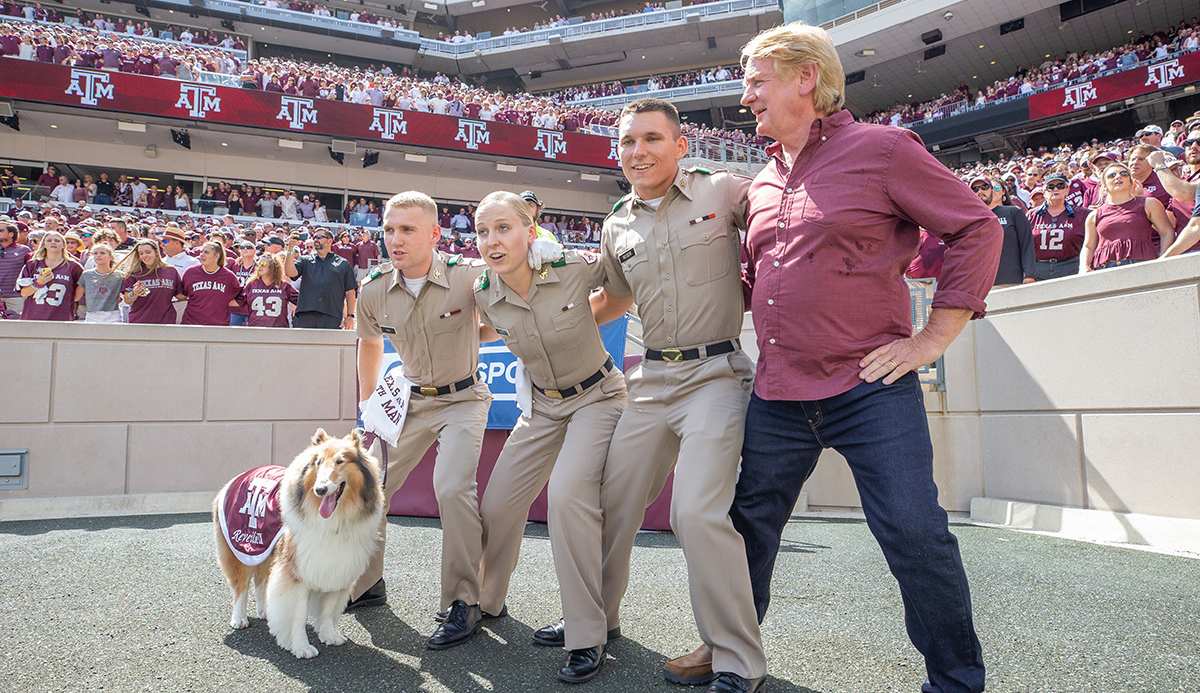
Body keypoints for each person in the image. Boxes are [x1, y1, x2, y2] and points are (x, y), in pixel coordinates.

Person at [729, 23, 1002, 693]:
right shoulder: (759, 183)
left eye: (757, 80)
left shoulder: (883, 149)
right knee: (744, 532)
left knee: (915, 534)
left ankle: (957, 682)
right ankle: (732, 655)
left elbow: (976, 227)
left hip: (869, 388)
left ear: (805, 78)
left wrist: (932, 337)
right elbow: (748, 281)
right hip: (776, 393)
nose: (746, 97)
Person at [593, 98, 767, 693]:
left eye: (650, 140)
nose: (636, 152)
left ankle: (736, 660)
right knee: (611, 500)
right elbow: (613, 299)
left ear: (680, 144)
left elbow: (787, 212)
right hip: (650, 382)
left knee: (694, 512)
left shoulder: (724, 192)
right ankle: (595, 622)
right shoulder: (616, 223)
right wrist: (547, 321)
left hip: (715, 376)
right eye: (626, 143)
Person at [471, 192, 626, 683]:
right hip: (541, 406)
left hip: (597, 396)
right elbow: (482, 330)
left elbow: (622, 287)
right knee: (496, 505)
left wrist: (583, 314)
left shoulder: (569, 267)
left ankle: (586, 633)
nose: (492, 241)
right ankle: (485, 602)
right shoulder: (482, 290)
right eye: (483, 232)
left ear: (529, 231)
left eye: (503, 228)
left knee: (566, 499)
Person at [352, 191, 493, 650]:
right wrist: (367, 406)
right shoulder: (373, 288)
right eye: (389, 229)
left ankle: (463, 602)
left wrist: (471, 334)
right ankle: (365, 584)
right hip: (407, 400)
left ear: (434, 234)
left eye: (407, 230)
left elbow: (498, 321)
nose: (395, 239)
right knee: (367, 485)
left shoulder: (468, 278)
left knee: (452, 488)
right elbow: (369, 344)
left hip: (463, 399)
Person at [1081, 162, 1175, 272]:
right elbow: (1088, 246)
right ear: (1104, 185)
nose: (1118, 177)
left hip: (1142, 265)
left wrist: (1163, 258)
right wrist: (1084, 267)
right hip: (1105, 269)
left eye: (1124, 174)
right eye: (1112, 176)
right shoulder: (1094, 215)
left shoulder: (1149, 204)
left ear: (1131, 182)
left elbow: (1167, 232)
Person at [283, 228, 356, 329]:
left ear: (330, 240)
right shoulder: (305, 260)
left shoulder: (343, 264)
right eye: (314, 237)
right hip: (305, 314)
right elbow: (289, 272)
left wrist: (350, 316)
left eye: (319, 237)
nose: (316, 240)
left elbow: (350, 292)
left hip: (331, 316)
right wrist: (290, 249)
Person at [969, 176, 1035, 287]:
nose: (980, 191)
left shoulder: (1013, 213)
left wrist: (1029, 275)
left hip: (1011, 280)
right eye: (975, 189)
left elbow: (1027, 245)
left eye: (984, 187)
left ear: (992, 190)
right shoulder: (969, 219)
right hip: (981, 284)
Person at [1028, 172, 1086, 280]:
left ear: (1067, 189)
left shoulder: (1082, 214)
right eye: (1051, 187)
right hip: (1039, 269)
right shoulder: (1031, 215)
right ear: (1044, 192)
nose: (1055, 189)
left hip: (1071, 267)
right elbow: (1024, 246)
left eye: (1060, 185)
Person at [17, 230, 84, 321]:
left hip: (60, 318)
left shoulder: (74, 267)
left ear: (64, 245)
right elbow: (24, 293)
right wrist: (38, 283)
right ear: (44, 244)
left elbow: (76, 296)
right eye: (49, 240)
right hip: (32, 316)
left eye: (57, 240)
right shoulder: (32, 265)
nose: (53, 242)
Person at [117, 239, 185, 324]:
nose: (144, 256)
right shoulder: (134, 273)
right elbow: (128, 300)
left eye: (148, 252)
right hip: (140, 321)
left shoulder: (171, 271)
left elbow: (180, 296)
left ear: (156, 252)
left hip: (166, 321)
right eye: (141, 253)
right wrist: (135, 293)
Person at [181, 241, 241, 326]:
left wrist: (221, 303)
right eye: (201, 252)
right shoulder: (190, 272)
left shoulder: (228, 277)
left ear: (216, 256)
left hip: (218, 325)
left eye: (206, 252)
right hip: (191, 324)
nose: (202, 255)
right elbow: (182, 294)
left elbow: (240, 299)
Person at [241, 252, 298, 328]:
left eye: (263, 264)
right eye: (258, 264)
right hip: (255, 331)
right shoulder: (252, 285)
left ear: (273, 266)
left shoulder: (284, 286)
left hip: (278, 331)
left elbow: (301, 301)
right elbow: (237, 301)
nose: (260, 266)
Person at [79, 242, 123, 322]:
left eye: (102, 253)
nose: (98, 255)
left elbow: (124, 296)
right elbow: (77, 296)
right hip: (92, 314)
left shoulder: (119, 276)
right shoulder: (86, 274)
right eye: (95, 253)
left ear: (110, 257)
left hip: (113, 314)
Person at [0, 220, 32, 318]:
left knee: (18, 327)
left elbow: (31, 272)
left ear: (11, 233)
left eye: (1, 230)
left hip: (16, 297)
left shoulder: (24, 250)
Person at [227, 241, 257, 326]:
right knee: (230, 334)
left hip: (251, 307)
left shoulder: (259, 266)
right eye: (242, 247)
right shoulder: (234, 265)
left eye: (249, 247)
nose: (245, 249)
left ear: (254, 251)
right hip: (235, 307)